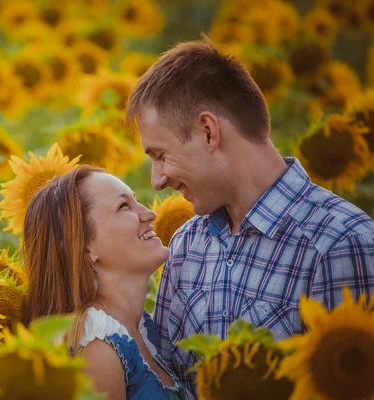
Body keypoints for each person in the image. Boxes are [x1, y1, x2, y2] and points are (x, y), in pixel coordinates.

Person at [125, 36, 374, 396]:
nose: (157, 179)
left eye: (161, 155)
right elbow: (173, 388)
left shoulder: (341, 245)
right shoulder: (186, 244)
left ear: (209, 132)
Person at [23, 165, 195, 400]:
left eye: (135, 201)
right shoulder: (96, 345)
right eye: (124, 206)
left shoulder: (142, 327)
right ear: (84, 248)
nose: (149, 213)